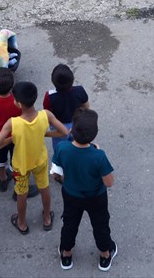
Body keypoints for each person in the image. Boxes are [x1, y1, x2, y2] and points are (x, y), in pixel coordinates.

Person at [0, 81, 68, 235]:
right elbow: (64, 132)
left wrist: (12, 139)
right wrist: (44, 133)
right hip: (40, 161)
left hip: (21, 165)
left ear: (18, 104)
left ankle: (22, 222)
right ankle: (46, 218)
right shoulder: (46, 115)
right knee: (44, 188)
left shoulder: (13, 123)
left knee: (21, 193)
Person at [53, 108, 116, 272]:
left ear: (72, 131)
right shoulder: (98, 156)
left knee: (69, 224)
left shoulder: (62, 148)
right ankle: (105, 254)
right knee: (100, 225)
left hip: (71, 195)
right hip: (96, 197)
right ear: (94, 134)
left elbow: (55, 173)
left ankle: (66, 254)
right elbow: (109, 182)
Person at [43, 63, 90, 161]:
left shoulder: (49, 96)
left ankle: (61, 165)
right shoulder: (80, 90)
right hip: (76, 124)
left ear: (53, 80)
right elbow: (86, 106)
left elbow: (47, 114)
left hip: (58, 126)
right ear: (72, 79)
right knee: (77, 145)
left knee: (60, 148)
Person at [0, 68, 22, 193]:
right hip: (15, 134)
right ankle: (18, 185)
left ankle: (3, 179)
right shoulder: (16, 101)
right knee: (16, 160)